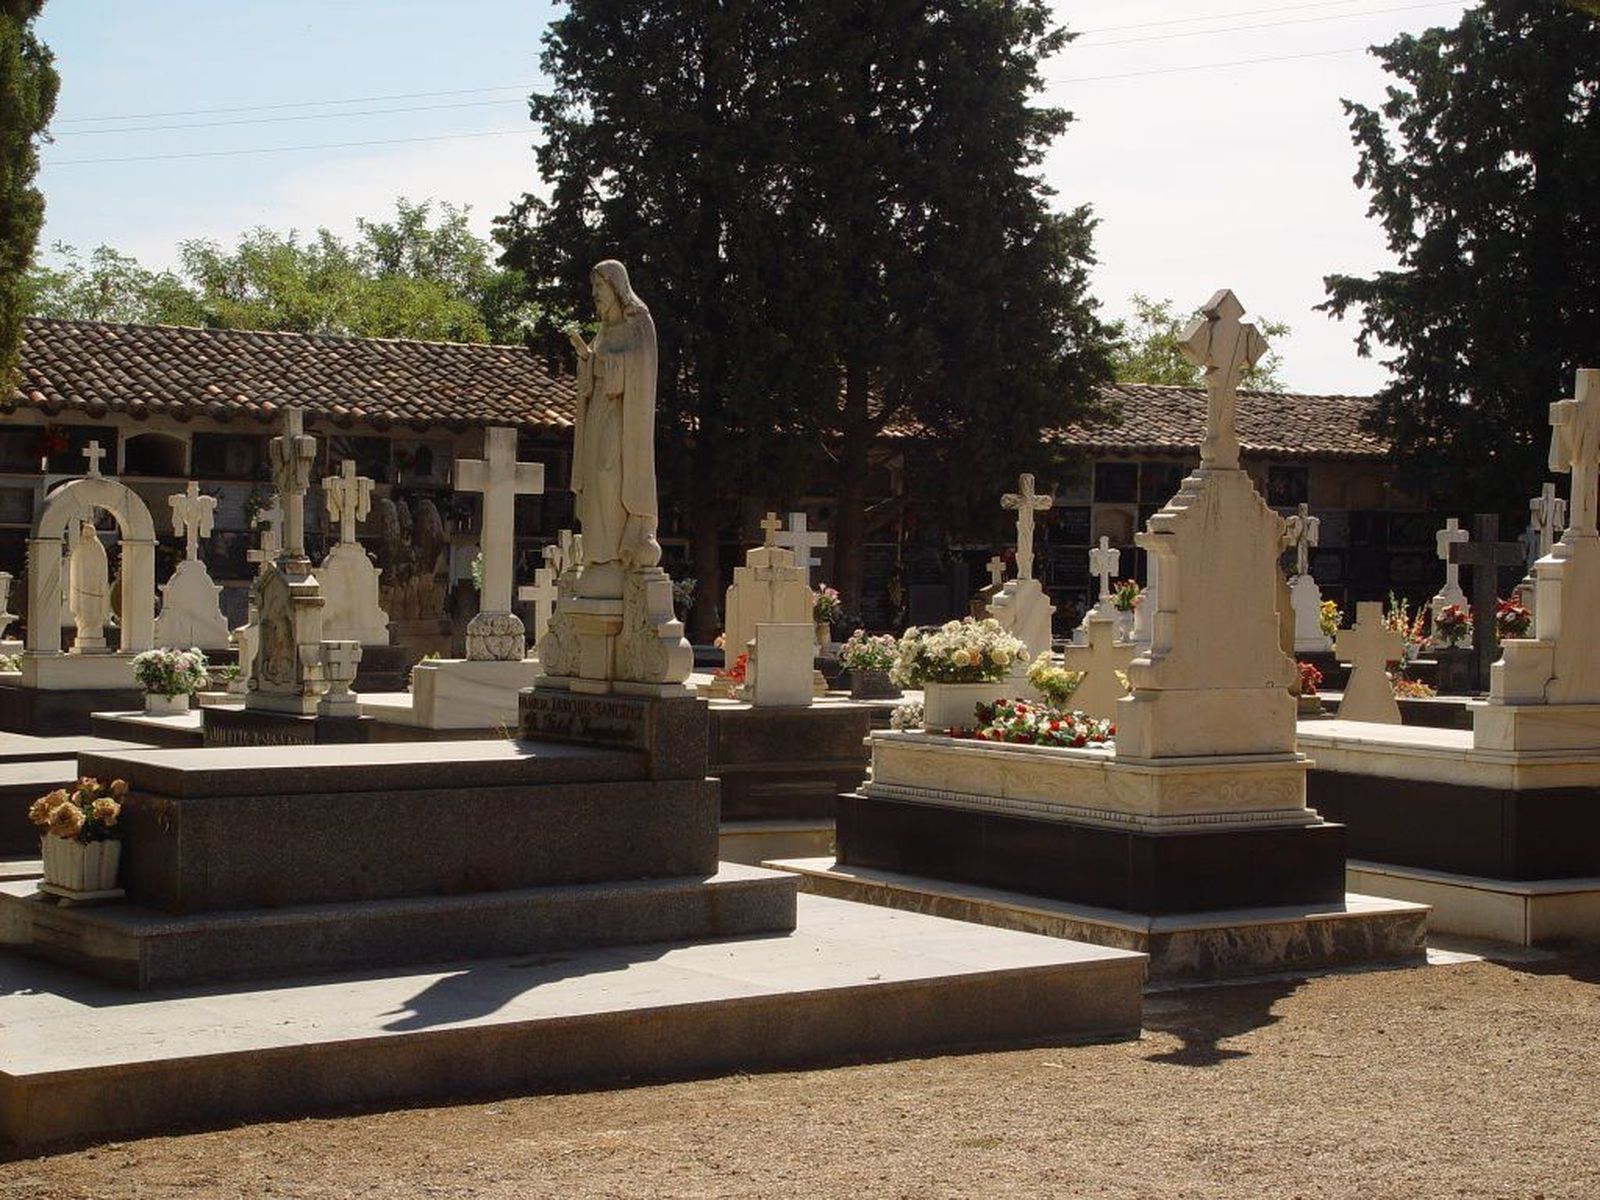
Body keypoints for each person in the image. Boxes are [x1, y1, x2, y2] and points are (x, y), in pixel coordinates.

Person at [567, 260, 662, 597]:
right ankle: (597, 556)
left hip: (624, 422)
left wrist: (608, 364)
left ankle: (616, 554)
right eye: (593, 288)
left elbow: (642, 369)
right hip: (598, 415)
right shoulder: (604, 332)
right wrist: (587, 361)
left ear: (616, 287)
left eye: (599, 287)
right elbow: (595, 373)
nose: (594, 294)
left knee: (610, 475)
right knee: (595, 480)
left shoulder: (640, 325)